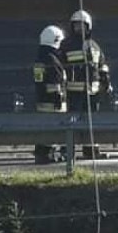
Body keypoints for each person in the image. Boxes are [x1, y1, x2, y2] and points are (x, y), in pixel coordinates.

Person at [60, 9, 112, 159]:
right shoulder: (66, 45)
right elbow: (60, 67)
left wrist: (106, 82)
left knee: (92, 121)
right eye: (76, 25)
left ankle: (91, 151)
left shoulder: (95, 46)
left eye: (82, 25)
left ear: (88, 27)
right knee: (72, 122)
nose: (78, 28)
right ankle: (67, 152)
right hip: (73, 91)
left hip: (92, 92)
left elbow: (102, 65)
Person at [32, 24, 66, 165]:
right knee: (51, 130)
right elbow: (53, 80)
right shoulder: (51, 59)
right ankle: (46, 155)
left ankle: (43, 154)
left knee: (44, 129)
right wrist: (57, 95)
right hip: (52, 102)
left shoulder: (41, 57)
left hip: (43, 100)